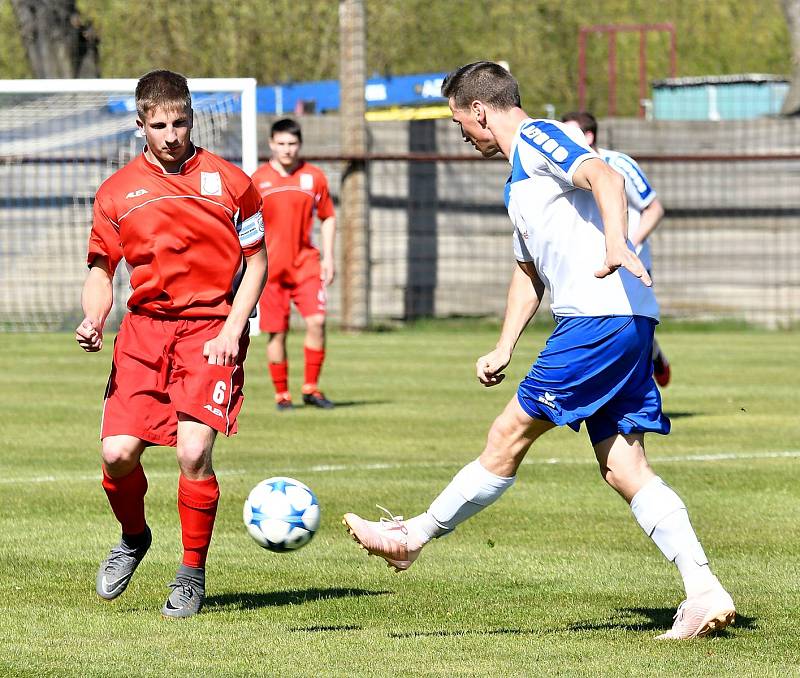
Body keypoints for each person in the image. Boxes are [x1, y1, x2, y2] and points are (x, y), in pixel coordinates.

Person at [343, 61, 735, 640]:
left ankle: (412, 539)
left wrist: (614, 243)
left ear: (480, 110)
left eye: (460, 122)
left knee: (508, 435)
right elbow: (528, 271)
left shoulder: (536, 137)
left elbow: (604, 175)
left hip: (596, 319)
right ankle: (703, 590)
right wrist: (504, 345)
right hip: (621, 320)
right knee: (624, 466)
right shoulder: (519, 181)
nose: (462, 135)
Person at [75, 70, 267, 618]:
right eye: (158, 124)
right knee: (116, 455)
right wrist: (94, 317)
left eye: (180, 122)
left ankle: (191, 571)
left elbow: (257, 262)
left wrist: (234, 328)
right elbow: (100, 266)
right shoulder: (116, 192)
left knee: (193, 451)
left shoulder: (232, 182)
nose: (171, 134)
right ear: (141, 125)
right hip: (143, 332)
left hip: (210, 330)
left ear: (192, 118)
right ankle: (134, 538)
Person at [561, 110, 671, 387]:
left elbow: (653, 208)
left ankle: (648, 369)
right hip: (593, 264)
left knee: (632, 325)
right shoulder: (564, 169)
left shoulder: (617, 163)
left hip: (629, 262)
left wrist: (627, 243)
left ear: (589, 135)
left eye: (570, 132)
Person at [251, 119, 336, 411]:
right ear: (272, 144)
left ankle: (311, 388)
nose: (287, 150)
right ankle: (282, 395)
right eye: (282, 144)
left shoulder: (314, 177)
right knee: (278, 332)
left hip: (306, 264)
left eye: (292, 144)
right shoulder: (257, 180)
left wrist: (329, 256)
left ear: (299, 145)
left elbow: (328, 216)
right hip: (271, 269)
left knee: (317, 322)